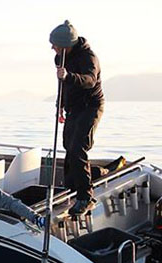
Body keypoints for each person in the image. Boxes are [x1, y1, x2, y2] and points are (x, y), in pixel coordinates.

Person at [49, 20, 105, 215]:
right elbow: (63, 85)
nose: (52, 48)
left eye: (55, 44)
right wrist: (60, 107)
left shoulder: (89, 58)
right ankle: (73, 186)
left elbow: (89, 81)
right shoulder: (60, 58)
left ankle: (85, 197)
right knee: (67, 146)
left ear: (66, 45)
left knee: (77, 147)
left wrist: (69, 75)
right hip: (74, 107)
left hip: (91, 106)